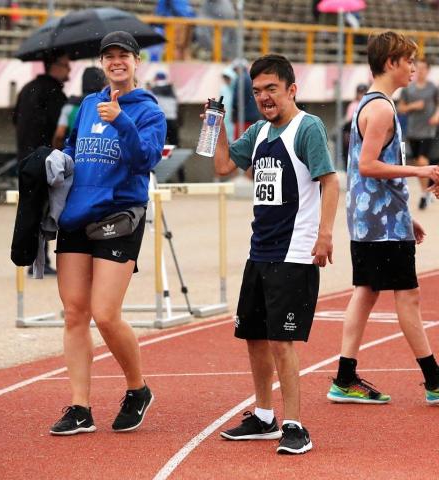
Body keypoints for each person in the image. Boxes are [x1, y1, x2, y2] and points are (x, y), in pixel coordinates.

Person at [214, 54, 339, 454]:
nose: (264, 97)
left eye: (271, 89)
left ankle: (295, 424)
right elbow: (221, 166)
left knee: (282, 341)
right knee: (253, 336)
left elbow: (330, 183)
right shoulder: (259, 132)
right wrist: (215, 125)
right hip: (260, 249)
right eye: (257, 91)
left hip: (295, 251)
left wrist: (325, 234)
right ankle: (264, 416)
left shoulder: (308, 128)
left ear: (291, 90)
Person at [49, 31, 167, 435]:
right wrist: (56, 162)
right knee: (75, 313)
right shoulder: (87, 104)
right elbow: (77, 151)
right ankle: (80, 407)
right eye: (109, 57)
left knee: (105, 313)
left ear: (137, 63)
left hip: (119, 217)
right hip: (76, 216)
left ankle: (138, 389)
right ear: (102, 64)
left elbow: (147, 160)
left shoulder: (148, 110)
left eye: (124, 56)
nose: (116, 62)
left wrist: (124, 123)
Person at [327, 31, 439, 407]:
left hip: (372, 219)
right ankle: (434, 380)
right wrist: (421, 173)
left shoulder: (371, 104)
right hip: (378, 223)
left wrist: (404, 214)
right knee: (407, 297)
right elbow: (368, 165)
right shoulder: (381, 109)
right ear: (391, 62)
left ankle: (344, 376)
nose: (413, 68)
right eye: (408, 61)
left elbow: (370, 171)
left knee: (367, 292)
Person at [12, 50, 70, 275]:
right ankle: (40, 260)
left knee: (29, 209)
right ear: (54, 65)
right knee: (47, 210)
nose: (70, 70)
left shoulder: (27, 89)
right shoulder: (54, 93)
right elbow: (60, 131)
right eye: (66, 65)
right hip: (46, 160)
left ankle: (30, 257)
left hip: (25, 159)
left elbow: (15, 119)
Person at [398, 57, 439, 209]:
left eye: (424, 68)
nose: (420, 71)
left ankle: (424, 194)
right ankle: (427, 191)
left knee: (422, 161)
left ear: (428, 70)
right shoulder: (408, 89)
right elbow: (401, 108)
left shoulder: (433, 88)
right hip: (413, 131)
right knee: (419, 163)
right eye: (418, 68)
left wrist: (436, 115)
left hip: (428, 131)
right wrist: (413, 106)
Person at [52, 67, 106, 150]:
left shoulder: (70, 106)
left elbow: (59, 136)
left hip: (75, 154)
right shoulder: (106, 105)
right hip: (98, 154)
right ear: (102, 84)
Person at [231, 59, 261, 139]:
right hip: (255, 117)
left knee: (239, 146)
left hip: (243, 118)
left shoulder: (239, 79)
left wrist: (234, 113)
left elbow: (236, 100)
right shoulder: (252, 79)